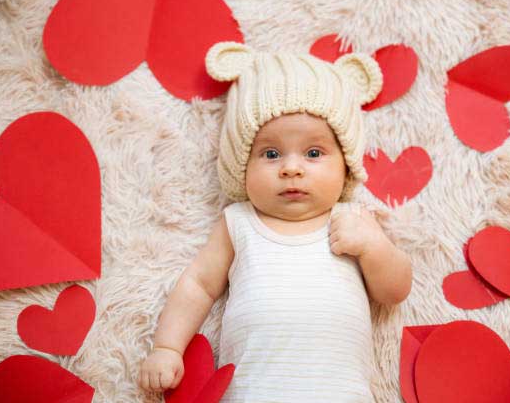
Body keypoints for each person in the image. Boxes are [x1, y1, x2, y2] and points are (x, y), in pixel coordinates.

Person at [139, 41, 412, 401]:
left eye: (314, 153)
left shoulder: (352, 221)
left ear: (345, 163)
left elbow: (393, 293)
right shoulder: (239, 223)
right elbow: (199, 285)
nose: (292, 167)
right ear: (241, 165)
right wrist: (168, 347)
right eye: (271, 153)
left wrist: (374, 247)